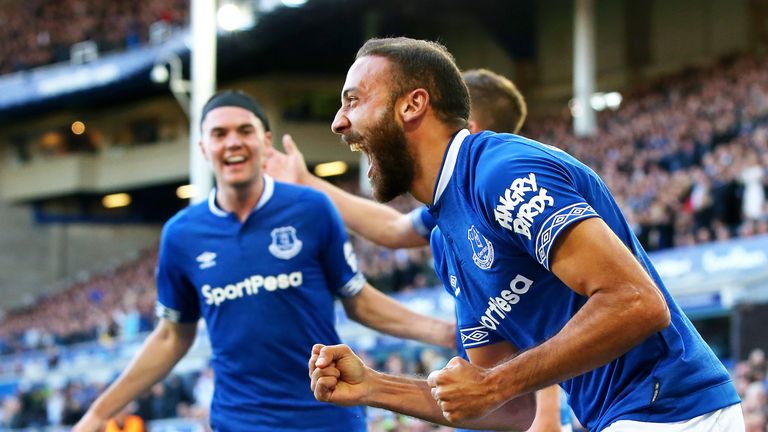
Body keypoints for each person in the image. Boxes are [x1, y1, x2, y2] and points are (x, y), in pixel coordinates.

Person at [309, 37, 744, 431]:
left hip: (674, 411)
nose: (338, 123)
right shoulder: (445, 241)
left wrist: (496, 385)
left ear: (412, 105)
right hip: (624, 417)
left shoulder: (499, 172)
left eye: (353, 100)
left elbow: (636, 302)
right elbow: (506, 405)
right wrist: (374, 387)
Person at [73, 90, 456, 432]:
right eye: (219, 135)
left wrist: (445, 333)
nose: (233, 143)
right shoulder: (181, 235)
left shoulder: (310, 209)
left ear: (265, 141)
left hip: (326, 417)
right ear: (203, 148)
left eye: (245, 130)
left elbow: (358, 300)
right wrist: (97, 414)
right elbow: (172, 336)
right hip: (239, 420)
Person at [266, 69, 568, 432]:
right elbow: (393, 229)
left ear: (463, 130)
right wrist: (307, 182)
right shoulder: (451, 217)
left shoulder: (508, 191)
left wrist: (548, 415)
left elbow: (551, 320)